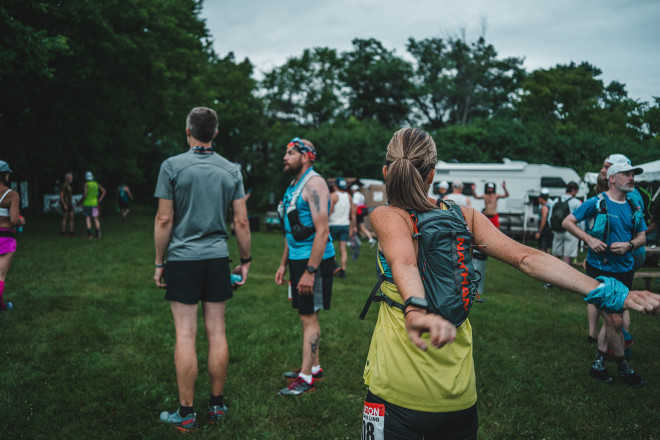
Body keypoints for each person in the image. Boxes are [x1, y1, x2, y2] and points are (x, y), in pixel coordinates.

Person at [361, 128, 660, 439]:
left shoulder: (386, 216)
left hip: (396, 391)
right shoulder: (464, 215)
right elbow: (527, 258)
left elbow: (404, 263)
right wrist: (610, 291)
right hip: (458, 395)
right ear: (432, 174)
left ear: (387, 171)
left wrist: (414, 309)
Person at [154, 107, 251, 430]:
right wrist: (246, 260)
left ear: (188, 131)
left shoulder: (172, 166)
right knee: (217, 331)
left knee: (185, 333)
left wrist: (159, 262)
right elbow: (240, 221)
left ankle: (186, 414)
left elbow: (164, 218)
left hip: (182, 259)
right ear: (216, 133)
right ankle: (217, 406)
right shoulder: (231, 170)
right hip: (216, 259)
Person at [562, 161, 648, 386]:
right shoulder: (597, 202)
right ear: (612, 178)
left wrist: (629, 245)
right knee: (616, 319)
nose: (632, 178)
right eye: (626, 174)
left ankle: (598, 364)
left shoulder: (633, 205)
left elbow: (642, 237)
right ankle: (623, 367)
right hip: (599, 269)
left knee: (611, 320)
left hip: (624, 268)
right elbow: (568, 222)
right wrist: (589, 239)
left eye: (633, 175)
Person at [274, 137, 336, 396]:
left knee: (308, 317)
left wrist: (310, 272)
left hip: (315, 261)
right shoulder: (294, 185)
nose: (285, 157)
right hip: (299, 260)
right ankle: (315, 367)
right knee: (307, 315)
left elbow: (322, 233)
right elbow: (294, 230)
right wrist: (283, 264)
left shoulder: (315, 184)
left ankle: (305, 378)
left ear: (307, 155)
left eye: (291, 153)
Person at [587, 154, 641, 350]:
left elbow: (636, 228)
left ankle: (617, 343)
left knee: (617, 305)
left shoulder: (629, 197)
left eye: (606, 166)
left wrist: (629, 245)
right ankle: (608, 340)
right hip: (605, 257)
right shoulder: (603, 195)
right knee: (609, 303)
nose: (602, 170)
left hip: (626, 255)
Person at [0, 161, 26, 312]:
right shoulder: (11, 195)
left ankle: (2, 307)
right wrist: (21, 220)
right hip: (5, 237)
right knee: (0, 276)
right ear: (5, 175)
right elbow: (15, 220)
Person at [550, 181, 581, 265]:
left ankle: (553, 271)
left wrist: (552, 228)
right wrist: (581, 231)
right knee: (567, 256)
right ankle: (565, 272)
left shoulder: (556, 200)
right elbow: (580, 218)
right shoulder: (576, 202)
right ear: (574, 190)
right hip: (570, 231)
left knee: (555, 254)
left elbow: (550, 216)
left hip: (557, 229)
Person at [329, 178, 355, 278]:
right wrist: (353, 227)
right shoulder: (349, 196)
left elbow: (330, 211)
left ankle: (334, 266)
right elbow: (353, 213)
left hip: (333, 225)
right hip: (345, 225)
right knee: (343, 249)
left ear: (335, 185)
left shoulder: (333, 196)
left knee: (329, 247)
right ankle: (343, 269)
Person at [351, 183, 377, 247]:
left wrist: (353, 214)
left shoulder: (356, 195)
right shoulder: (361, 195)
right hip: (361, 213)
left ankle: (352, 241)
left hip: (357, 213)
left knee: (352, 226)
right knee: (362, 227)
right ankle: (371, 239)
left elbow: (355, 205)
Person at [82, 171, 106, 239]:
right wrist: (100, 199)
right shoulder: (96, 183)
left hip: (87, 203)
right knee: (96, 218)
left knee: (88, 218)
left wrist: (81, 200)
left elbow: (85, 194)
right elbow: (104, 191)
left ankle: (89, 235)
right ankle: (98, 234)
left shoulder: (86, 184)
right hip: (95, 203)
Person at [535, 188, 553, 253]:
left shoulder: (544, 207)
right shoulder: (548, 205)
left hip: (545, 230)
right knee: (546, 247)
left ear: (542, 198)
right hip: (547, 229)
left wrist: (539, 231)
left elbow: (544, 219)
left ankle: (544, 261)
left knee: (542, 248)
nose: (538, 199)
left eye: (539, 198)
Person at [59, 172, 75, 237]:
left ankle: (71, 231)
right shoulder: (64, 185)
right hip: (65, 203)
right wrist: (64, 204)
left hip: (69, 203)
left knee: (71, 217)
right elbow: (61, 195)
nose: (72, 178)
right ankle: (63, 232)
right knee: (65, 218)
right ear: (67, 178)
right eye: (71, 177)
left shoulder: (69, 185)